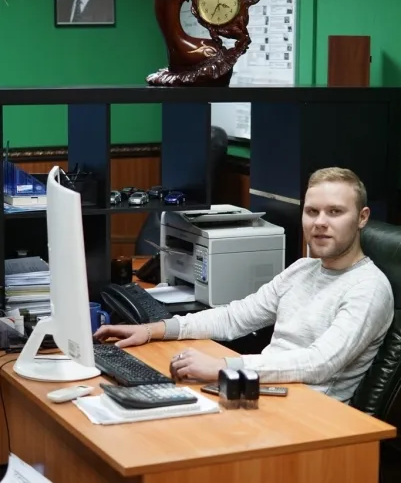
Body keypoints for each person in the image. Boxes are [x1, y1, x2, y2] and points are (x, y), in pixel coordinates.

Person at [95, 167, 394, 403]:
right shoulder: (302, 269)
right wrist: (154, 330)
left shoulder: (368, 288)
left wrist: (224, 365)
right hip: (265, 391)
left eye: (335, 212)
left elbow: (319, 364)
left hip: (312, 412)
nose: (320, 222)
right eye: (312, 211)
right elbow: (235, 317)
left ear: (362, 218)